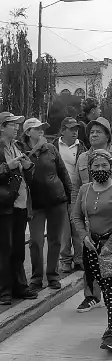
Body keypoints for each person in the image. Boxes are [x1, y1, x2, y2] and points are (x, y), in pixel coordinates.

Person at [71, 150, 112, 352]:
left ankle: (111, 332)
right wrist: (84, 237)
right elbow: (76, 216)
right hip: (91, 247)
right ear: (90, 168)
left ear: (111, 167)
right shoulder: (84, 190)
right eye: (96, 166)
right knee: (104, 287)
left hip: (111, 247)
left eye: (104, 165)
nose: (100, 169)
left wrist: (109, 245)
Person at [75, 117, 112, 312]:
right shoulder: (84, 158)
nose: (93, 135)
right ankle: (92, 295)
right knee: (89, 258)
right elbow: (77, 187)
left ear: (107, 136)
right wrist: (75, 210)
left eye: (98, 132)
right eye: (91, 132)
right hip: (89, 217)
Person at [20, 118, 71, 292]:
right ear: (28, 132)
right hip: (36, 204)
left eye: (43, 128)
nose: (42, 130)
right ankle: (36, 278)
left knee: (55, 240)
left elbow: (63, 172)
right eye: (37, 128)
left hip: (57, 200)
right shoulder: (22, 151)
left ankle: (53, 276)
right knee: (36, 241)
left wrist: (70, 197)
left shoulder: (51, 148)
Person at [0, 112, 36, 305]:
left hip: (20, 205)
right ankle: (4, 290)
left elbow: (26, 177)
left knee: (18, 250)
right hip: (5, 206)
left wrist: (28, 167)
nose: (16, 128)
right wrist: (8, 166)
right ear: (2, 127)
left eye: (16, 125)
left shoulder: (16, 146)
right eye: (12, 125)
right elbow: (6, 171)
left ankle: (20, 286)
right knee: (5, 250)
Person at [56, 116, 87, 274]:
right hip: (60, 193)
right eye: (71, 129)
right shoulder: (54, 146)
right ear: (63, 130)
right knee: (64, 230)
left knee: (77, 226)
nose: (75, 132)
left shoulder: (81, 146)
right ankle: (65, 260)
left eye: (76, 129)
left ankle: (79, 258)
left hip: (77, 192)